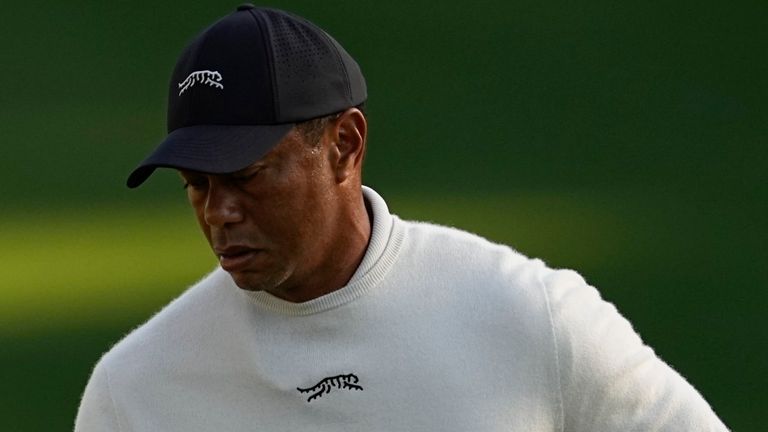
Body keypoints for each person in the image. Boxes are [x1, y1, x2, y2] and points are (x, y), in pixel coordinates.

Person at [75, 4, 728, 431]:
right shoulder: (134, 390)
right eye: (196, 185)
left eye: (247, 176)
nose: (220, 212)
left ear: (344, 145)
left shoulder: (531, 316)